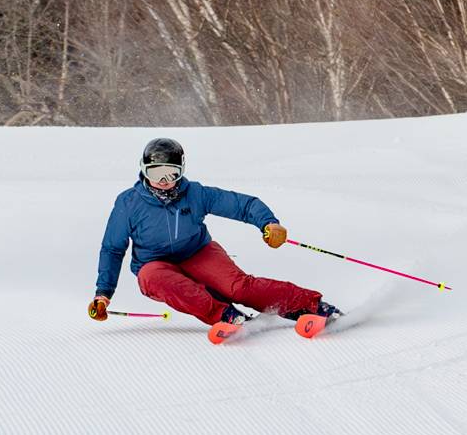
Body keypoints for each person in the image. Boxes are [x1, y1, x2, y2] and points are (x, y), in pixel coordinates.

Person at [88, 137, 341, 328]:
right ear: (143, 170)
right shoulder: (129, 203)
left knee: (238, 288)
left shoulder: (196, 193)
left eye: (171, 173)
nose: (164, 181)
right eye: (156, 173)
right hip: (155, 264)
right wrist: (103, 294)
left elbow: (244, 205)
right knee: (151, 278)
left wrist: (268, 223)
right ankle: (225, 315)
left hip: (198, 252)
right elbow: (112, 248)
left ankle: (310, 305)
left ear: (182, 170)